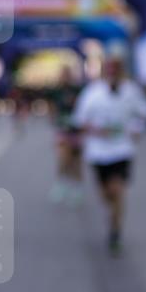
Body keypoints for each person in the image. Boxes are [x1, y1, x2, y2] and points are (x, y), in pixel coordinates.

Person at [71, 54, 146, 255]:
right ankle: (113, 214)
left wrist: (136, 128)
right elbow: (80, 120)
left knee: (117, 190)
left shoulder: (131, 91)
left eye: (116, 68)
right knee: (106, 194)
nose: (112, 72)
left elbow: (145, 112)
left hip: (122, 150)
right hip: (98, 152)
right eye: (109, 68)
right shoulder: (92, 92)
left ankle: (115, 231)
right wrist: (96, 131)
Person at [46, 65, 85, 207]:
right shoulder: (56, 91)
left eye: (67, 74)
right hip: (63, 129)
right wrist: (53, 116)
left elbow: (85, 106)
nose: (65, 77)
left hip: (77, 130)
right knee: (63, 156)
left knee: (75, 161)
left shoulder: (78, 90)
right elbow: (51, 105)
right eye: (63, 74)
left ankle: (77, 187)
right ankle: (60, 184)